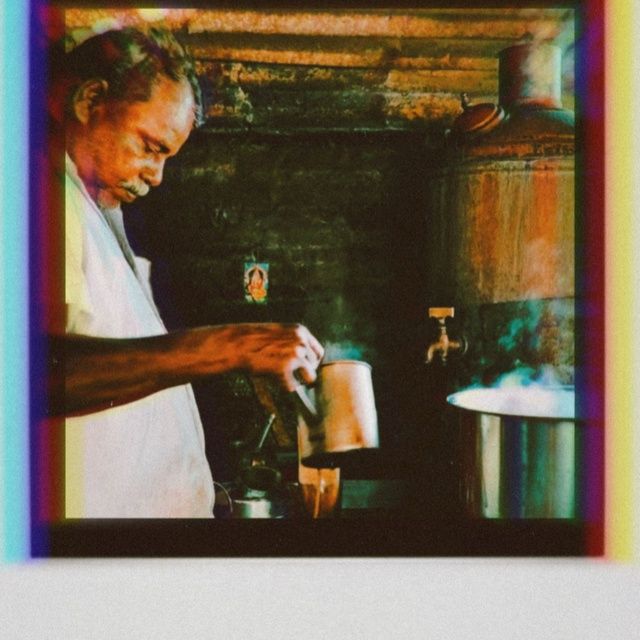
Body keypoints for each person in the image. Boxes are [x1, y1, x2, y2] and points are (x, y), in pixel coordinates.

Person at [47, 27, 324, 518]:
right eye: (150, 147)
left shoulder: (90, 206)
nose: (156, 176)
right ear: (91, 101)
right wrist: (230, 347)